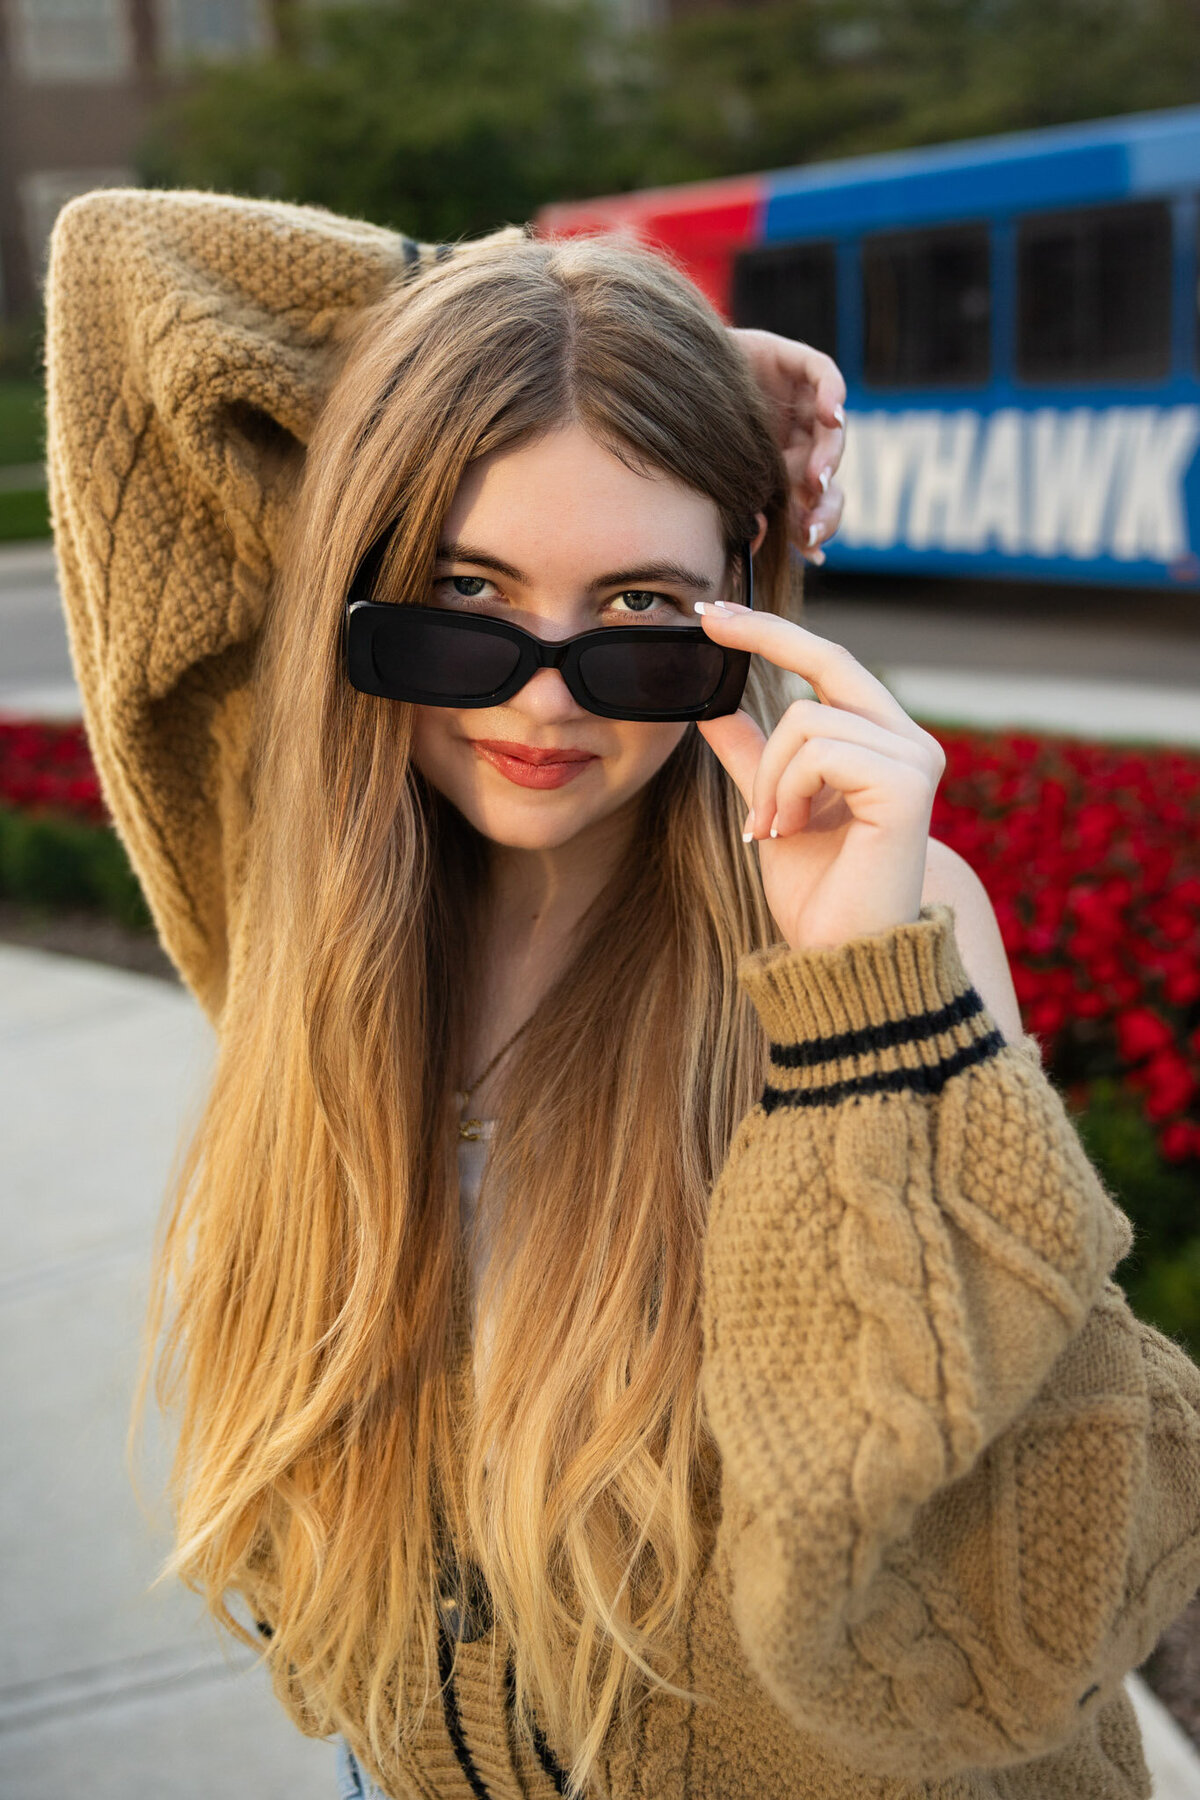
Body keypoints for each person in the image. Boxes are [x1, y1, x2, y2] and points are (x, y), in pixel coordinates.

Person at [44, 188, 1200, 1800]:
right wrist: (569, 332)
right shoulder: (302, 886)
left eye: (642, 613)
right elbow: (122, 279)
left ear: (747, 590)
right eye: (466, 596)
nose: (540, 693)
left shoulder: (883, 932)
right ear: (361, 588)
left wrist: (871, 1019)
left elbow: (1030, 1609)